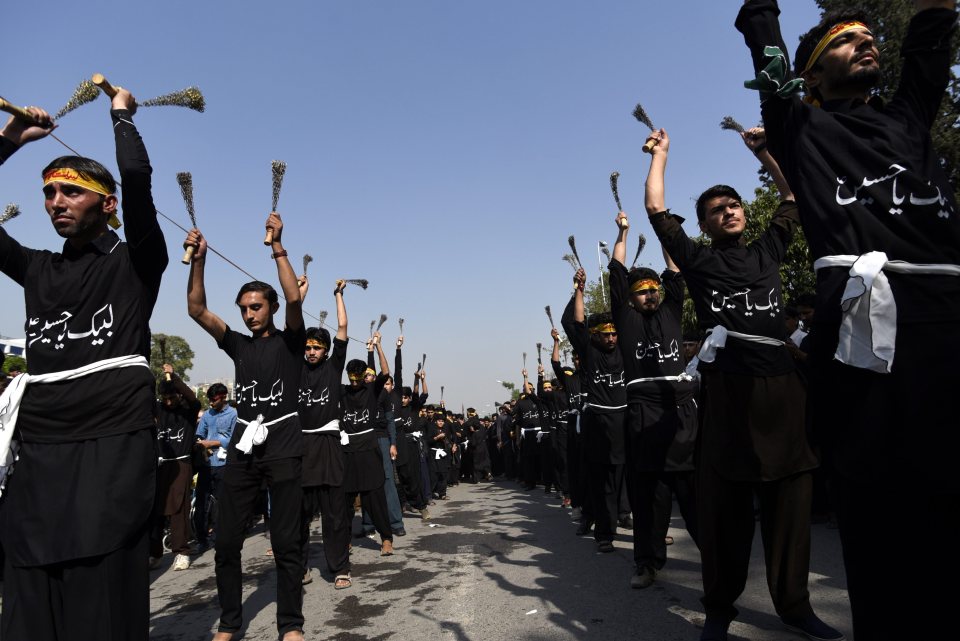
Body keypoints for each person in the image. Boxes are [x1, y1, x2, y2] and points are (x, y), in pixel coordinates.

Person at [736, 4, 959, 638]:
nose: (864, 45)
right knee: (881, 524)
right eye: (844, 41)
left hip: (947, 334)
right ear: (810, 77)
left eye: (868, 38)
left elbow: (929, 48)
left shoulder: (909, 119)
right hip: (863, 350)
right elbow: (769, 60)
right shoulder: (801, 128)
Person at [645, 126, 840, 641]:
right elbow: (658, 214)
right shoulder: (700, 261)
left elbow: (791, 197)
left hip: (782, 393)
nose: (729, 211)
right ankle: (718, 609)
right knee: (726, 513)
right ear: (706, 226)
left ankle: (795, 607)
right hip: (730, 396)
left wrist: (765, 153)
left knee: (791, 507)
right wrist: (661, 156)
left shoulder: (768, 251)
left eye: (733, 205)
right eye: (716, 210)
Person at [0, 89, 166, 640]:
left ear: (107, 203)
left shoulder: (136, 262)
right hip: (40, 450)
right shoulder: (37, 269)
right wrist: (7, 142)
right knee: (29, 581)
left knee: (99, 592)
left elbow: (138, 184)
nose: (55, 201)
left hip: (112, 445)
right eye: (49, 193)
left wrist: (120, 118)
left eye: (71, 191)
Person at [185, 213, 305, 641]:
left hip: (285, 446)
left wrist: (277, 246)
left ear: (270, 307)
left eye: (256, 307)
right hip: (242, 448)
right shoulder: (238, 344)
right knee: (227, 543)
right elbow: (196, 309)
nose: (250, 314)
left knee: (288, 542)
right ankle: (229, 622)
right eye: (244, 310)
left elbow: (295, 299)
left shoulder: (292, 342)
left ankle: (290, 625)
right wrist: (199, 261)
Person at [608, 213, 699, 590]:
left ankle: (721, 564)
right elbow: (615, 270)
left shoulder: (671, 309)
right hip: (644, 419)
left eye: (653, 289)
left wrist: (665, 235)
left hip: (683, 418)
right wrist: (623, 233)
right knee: (650, 502)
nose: (650, 294)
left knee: (696, 500)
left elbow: (674, 268)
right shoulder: (625, 320)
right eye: (642, 290)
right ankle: (647, 563)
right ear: (631, 297)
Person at [561, 268, 628, 553]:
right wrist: (580, 289)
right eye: (605, 334)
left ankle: (645, 528)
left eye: (614, 334)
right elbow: (576, 323)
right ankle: (603, 533)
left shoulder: (626, 349)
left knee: (629, 480)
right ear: (595, 336)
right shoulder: (590, 352)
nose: (611, 338)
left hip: (626, 422)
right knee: (600, 484)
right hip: (598, 424)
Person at [297, 277, 351, 589]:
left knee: (334, 516)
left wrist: (338, 295)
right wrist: (301, 295)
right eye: (308, 347)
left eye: (317, 347)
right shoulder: (296, 367)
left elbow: (343, 329)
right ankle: (300, 567)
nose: (311, 351)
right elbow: (290, 329)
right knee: (300, 516)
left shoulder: (333, 368)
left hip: (329, 447)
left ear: (327, 350)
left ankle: (340, 568)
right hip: (302, 447)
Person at [151, 364, 202, 571]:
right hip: (161, 465)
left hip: (181, 464)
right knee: (155, 509)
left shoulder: (188, 411)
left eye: (173, 397)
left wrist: (175, 376)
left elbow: (192, 397)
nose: (169, 402)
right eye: (166, 398)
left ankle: (181, 551)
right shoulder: (159, 409)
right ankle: (154, 553)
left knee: (178, 508)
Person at [195, 382, 237, 552]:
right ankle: (202, 539)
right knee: (202, 502)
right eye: (210, 400)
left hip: (224, 464)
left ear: (223, 397)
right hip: (206, 464)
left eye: (214, 400)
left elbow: (234, 440)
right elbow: (199, 434)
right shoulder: (206, 415)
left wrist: (214, 442)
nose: (211, 403)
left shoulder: (233, 414)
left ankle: (220, 536)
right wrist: (200, 443)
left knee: (221, 502)